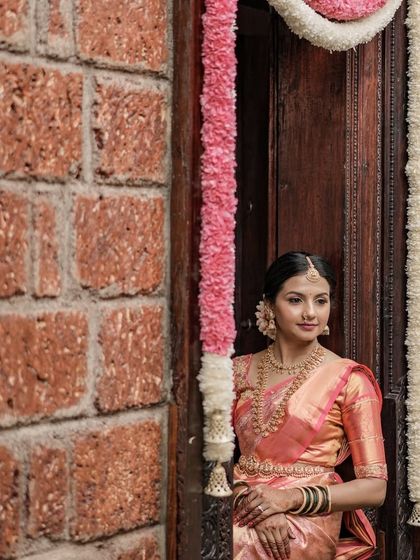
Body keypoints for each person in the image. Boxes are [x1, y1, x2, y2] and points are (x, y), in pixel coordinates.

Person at [232, 251, 387, 560]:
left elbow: (374, 489)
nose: (310, 314)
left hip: (308, 517)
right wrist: (257, 505)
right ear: (270, 305)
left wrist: (287, 498)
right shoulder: (237, 372)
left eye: (321, 301)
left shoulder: (349, 380)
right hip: (244, 501)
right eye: (295, 300)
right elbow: (209, 462)